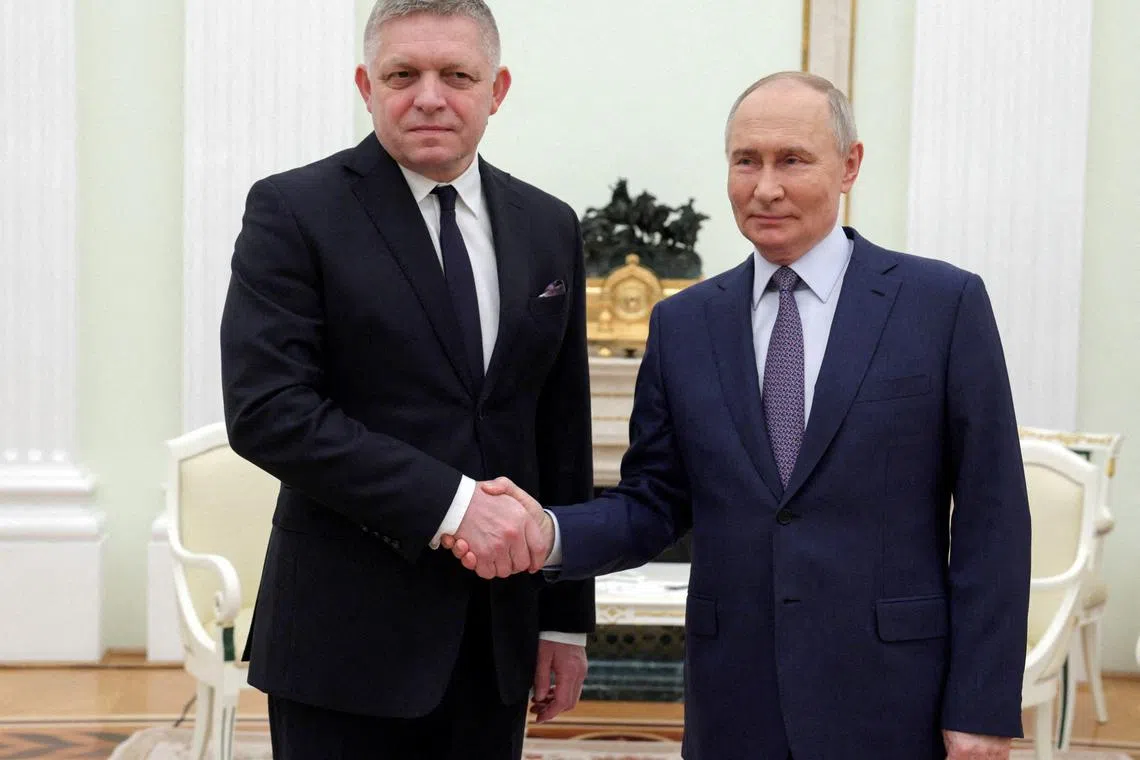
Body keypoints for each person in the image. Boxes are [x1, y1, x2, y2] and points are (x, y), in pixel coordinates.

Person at [449, 72, 1031, 759]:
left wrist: (982, 706)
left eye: (793, 159)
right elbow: (653, 505)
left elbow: (993, 518)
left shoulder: (943, 305)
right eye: (745, 161)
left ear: (849, 166)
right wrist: (546, 532)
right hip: (735, 702)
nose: (765, 187)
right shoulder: (683, 325)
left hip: (895, 696)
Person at [219, 1, 594, 757]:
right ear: (366, 84)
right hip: (343, 637)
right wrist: (453, 507)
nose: (429, 95)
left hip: (496, 640)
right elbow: (269, 410)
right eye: (403, 74)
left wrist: (562, 617)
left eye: (456, 74)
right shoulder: (293, 210)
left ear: (498, 88)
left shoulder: (549, 226)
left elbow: (561, 427)